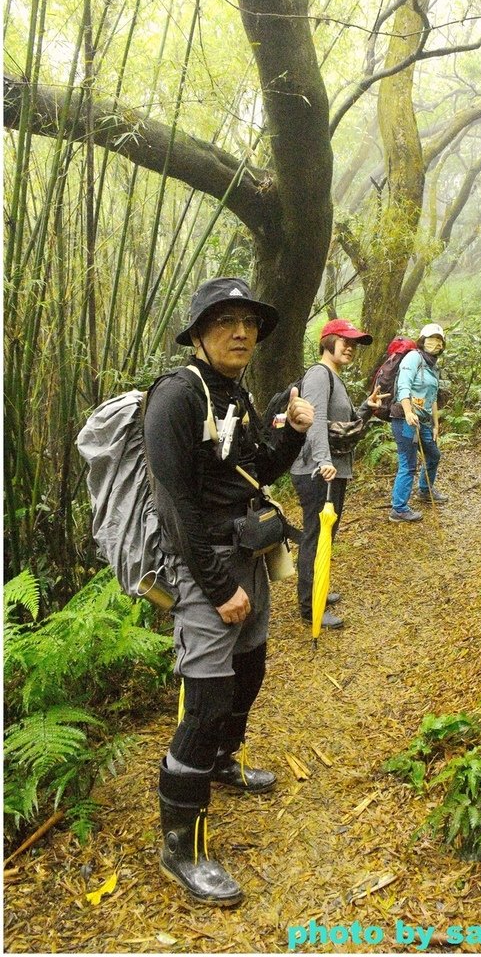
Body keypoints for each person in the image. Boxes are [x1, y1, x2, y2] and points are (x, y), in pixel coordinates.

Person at [144, 277, 314, 906]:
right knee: (207, 698)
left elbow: (254, 472)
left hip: (249, 555)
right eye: (225, 321)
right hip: (204, 567)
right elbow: (175, 507)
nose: (240, 332)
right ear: (197, 332)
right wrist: (217, 590)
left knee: (250, 672)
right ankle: (180, 849)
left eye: (248, 321)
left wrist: (293, 432)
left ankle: (220, 762)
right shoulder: (176, 398)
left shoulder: (233, 393)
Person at [290, 318, 386, 630]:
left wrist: (366, 408)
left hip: (332, 469)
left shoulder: (333, 377)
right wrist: (321, 461)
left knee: (323, 536)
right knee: (316, 538)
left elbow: (342, 429)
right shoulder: (319, 375)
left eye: (354, 343)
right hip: (320, 471)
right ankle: (310, 608)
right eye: (344, 340)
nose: (350, 347)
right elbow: (314, 422)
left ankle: (318, 592)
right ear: (327, 340)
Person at [389, 323, 447, 523]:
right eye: (432, 338)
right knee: (408, 464)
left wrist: (436, 424)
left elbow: (433, 397)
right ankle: (399, 508)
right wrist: (407, 412)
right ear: (422, 340)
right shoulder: (413, 357)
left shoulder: (432, 365)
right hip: (405, 419)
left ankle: (425, 490)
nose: (436, 343)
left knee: (433, 455)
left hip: (423, 421)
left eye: (439, 340)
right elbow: (404, 385)